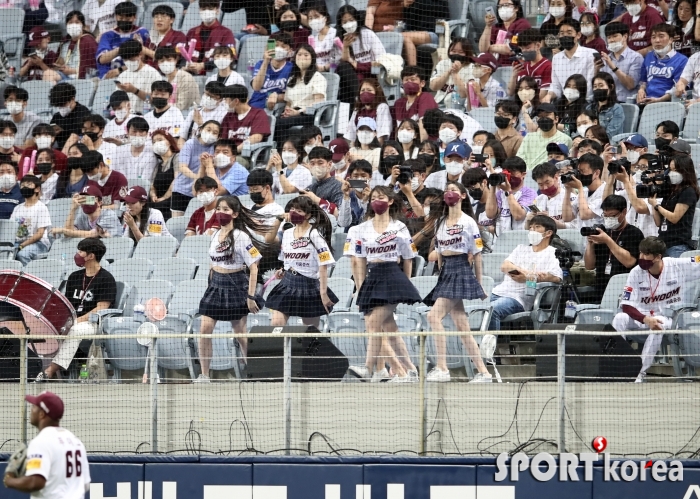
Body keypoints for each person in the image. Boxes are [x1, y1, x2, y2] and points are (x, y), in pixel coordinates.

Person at [346, 186, 421, 382]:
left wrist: (407, 283)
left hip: (393, 276)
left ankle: (368, 367)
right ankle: (410, 370)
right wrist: (361, 286)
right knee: (390, 327)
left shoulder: (399, 227)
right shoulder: (361, 229)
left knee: (372, 323)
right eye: (373, 198)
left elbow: (409, 257)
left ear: (390, 201)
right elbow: (358, 259)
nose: (377, 201)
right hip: (373, 276)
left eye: (381, 197)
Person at [422, 181, 491, 382]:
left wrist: (479, 283)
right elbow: (440, 254)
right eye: (447, 190)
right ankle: (483, 372)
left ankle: (442, 368)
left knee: (433, 317)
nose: (449, 193)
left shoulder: (469, 222)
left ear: (462, 196)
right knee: (463, 326)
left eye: (454, 190)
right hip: (446, 272)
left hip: (461, 268)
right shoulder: (440, 222)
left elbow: (477, 255)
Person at [195, 196, 267, 382]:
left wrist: (251, 297)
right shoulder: (213, 235)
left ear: (234, 214)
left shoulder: (241, 236)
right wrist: (209, 285)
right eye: (219, 209)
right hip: (215, 286)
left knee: (240, 334)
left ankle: (254, 373)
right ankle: (204, 375)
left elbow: (254, 266)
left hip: (236, 285)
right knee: (204, 331)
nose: (221, 212)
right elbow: (212, 265)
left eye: (226, 210)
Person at [613, 236, 700, 382]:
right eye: (640, 253)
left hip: (669, 318)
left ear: (658, 256)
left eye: (646, 254)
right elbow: (626, 305)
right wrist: (644, 319)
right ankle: (615, 367)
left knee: (658, 323)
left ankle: (639, 373)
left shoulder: (677, 265)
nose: (641, 257)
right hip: (643, 316)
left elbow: (698, 261)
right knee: (619, 318)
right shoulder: (636, 272)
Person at [34, 238, 116, 381]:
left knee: (75, 330)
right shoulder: (74, 277)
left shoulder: (106, 279)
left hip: (94, 324)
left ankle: (51, 370)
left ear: (91, 256)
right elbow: (66, 304)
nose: (77, 254)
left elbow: (101, 308)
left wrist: (76, 321)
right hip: (73, 320)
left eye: (80, 251)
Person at [266, 196, 338, 327]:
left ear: (308, 214)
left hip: (308, 285)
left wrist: (323, 293)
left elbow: (323, 266)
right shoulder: (287, 233)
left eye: (299, 210)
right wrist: (283, 270)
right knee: (276, 324)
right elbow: (269, 239)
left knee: (310, 332)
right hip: (288, 283)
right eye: (292, 209)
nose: (294, 212)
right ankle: (281, 348)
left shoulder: (314, 234)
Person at [3, 391, 91, 497]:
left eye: (35, 406)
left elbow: (35, 482)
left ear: (42, 414)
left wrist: (9, 480)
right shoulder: (76, 441)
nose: (31, 410)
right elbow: (85, 485)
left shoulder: (41, 442)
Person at [488, 214, 563, 330]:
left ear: (548, 233)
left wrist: (530, 278)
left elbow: (556, 277)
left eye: (537, 227)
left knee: (491, 310)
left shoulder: (553, 253)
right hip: (497, 292)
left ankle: (488, 347)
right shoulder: (521, 248)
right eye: (531, 227)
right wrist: (526, 273)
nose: (532, 230)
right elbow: (505, 266)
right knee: (473, 308)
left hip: (517, 299)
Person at [583, 194, 644, 298]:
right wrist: (590, 244)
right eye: (605, 216)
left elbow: (629, 262)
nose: (608, 219)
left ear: (624, 212)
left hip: (625, 288)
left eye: (612, 215)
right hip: (601, 287)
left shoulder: (634, 233)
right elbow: (589, 266)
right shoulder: (603, 232)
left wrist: (607, 240)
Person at [274, 44, 327, 144]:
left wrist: (298, 112)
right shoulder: (292, 79)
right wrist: (287, 111)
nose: (302, 57)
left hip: (310, 114)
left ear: (312, 58)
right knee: (271, 122)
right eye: (299, 55)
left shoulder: (318, 78)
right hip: (294, 113)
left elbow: (318, 103)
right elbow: (289, 102)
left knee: (279, 123)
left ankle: (281, 151)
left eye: (306, 55)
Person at [335, 5, 386, 105]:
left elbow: (381, 60)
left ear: (357, 19)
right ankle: (356, 100)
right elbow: (342, 64)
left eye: (351, 20)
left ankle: (358, 99)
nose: (348, 24)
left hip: (371, 75)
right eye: (345, 22)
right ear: (340, 24)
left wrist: (358, 65)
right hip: (353, 79)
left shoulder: (367, 34)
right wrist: (345, 47)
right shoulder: (339, 39)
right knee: (343, 67)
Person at [649, 154, 699, 257]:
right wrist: (653, 204)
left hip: (678, 245)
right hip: (662, 244)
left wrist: (657, 206)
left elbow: (675, 217)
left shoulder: (688, 191)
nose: (672, 173)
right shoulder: (669, 190)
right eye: (670, 169)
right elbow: (658, 223)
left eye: (675, 170)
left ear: (684, 171)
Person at [172, 120, 220, 217]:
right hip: (181, 190)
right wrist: (197, 177)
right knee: (177, 222)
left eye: (215, 133)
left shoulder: (214, 148)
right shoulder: (190, 143)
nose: (211, 133)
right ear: (201, 129)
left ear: (218, 137)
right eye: (208, 130)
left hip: (200, 192)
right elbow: (182, 167)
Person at [544, 19, 596, 103]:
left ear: (578, 35)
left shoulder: (590, 54)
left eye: (569, 33)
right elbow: (556, 86)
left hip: (585, 103)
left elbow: (590, 85)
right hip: (564, 103)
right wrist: (549, 95)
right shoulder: (556, 58)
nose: (565, 36)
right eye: (562, 33)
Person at [96, 1, 150, 78]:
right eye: (121, 18)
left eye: (127, 18)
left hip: (135, 75)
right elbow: (102, 59)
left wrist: (139, 47)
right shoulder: (108, 35)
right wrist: (123, 48)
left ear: (134, 17)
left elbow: (146, 60)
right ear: (116, 17)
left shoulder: (142, 32)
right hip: (110, 77)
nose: (124, 20)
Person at [638, 23, 688, 104]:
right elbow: (643, 81)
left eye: (661, 36)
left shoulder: (682, 60)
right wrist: (641, 89)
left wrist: (659, 100)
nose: (657, 40)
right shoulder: (649, 56)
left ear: (671, 39)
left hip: (669, 103)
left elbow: (678, 87)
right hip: (646, 101)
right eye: (653, 37)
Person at [486, 156, 537, 235]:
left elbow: (518, 216)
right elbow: (490, 214)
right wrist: (493, 185)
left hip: (520, 240)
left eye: (512, 172)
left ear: (523, 174)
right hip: (501, 241)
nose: (509, 176)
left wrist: (508, 192)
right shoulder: (500, 193)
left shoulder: (529, 193)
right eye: (507, 172)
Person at [183, 0, 236, 76]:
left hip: (214, 75)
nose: (206, 12)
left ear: (217, 10)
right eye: (203, 9)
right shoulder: (192, 32)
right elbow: (184, 55)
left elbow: (230, 58)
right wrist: (185, 66)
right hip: (190, 74)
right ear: (199, 10)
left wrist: (203, 65)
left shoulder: (226, 33)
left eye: (210, 9)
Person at [516, 104, 573, 169]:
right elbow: (519, 160)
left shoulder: (565, 139)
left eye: (547, 115)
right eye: (540, 116)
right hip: (528, 176)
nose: (543, 119)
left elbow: (567, 162)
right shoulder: (529, 137)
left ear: (556, 119)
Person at [220, 84, 271, 156]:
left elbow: (256, 137)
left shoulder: (258, 114)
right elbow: (223, 139)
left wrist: (234, 151)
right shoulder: (229, 116)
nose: (224, 102)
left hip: (246, 155)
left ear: (236, 101)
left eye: (226, 99)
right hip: (228, 154)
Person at [10, 175, 51, 266]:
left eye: (28, 184)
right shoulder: (17, 208)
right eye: (22, 185)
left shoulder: (41, 208)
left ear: (37, 189)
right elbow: (11, 229)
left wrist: (22, 245)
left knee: (22, 255)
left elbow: (40, 233)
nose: (24, 187)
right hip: (18, 243)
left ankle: (29, 277)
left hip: (39, 244)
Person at [52, 185, 122, 238]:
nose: (85, 202)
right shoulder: (83, 216)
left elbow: (92, 234)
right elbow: (68, 234)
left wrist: (63, 230)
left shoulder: (108, 214)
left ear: (99, 203)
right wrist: (73, 209)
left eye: (89, 199)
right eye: (83, 199)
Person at [114, 40, 163, 115]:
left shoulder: (153, 74)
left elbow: (155, 100)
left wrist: (134, 90)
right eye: (125, 60)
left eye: (131, 59)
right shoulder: (122, 76)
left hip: (146, 116)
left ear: (140, 54)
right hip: (126, 117)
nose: (128, 62)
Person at [600, 22, 644, 104]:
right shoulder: (606, 59)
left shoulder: (636, 57)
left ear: (625, 36)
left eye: (615, 36)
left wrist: (613, 67)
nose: (612, 40)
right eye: (609, 37)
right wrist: (596, 69)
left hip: (626, 102)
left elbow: (631, 85)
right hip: (608, 103)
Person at [527, 162, 578, 230]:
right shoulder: (538, 200)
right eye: (540, 184)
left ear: (556, 177)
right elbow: (527, 229)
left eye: (547, 182)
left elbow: (575, 227)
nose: (545, 187)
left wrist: (551, 222)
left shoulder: (571, 197)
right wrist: (528, 220)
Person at [250, 33, 295, 110]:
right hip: (254, 105)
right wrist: (266, 61)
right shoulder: (260, 64)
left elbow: (293, 95)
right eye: (276, 45)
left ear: (290, 51)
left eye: (283, 46)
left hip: (274, 108)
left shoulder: (292, 68)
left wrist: (277, 97)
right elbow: (256, 87)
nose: (278, 49)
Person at [479, 0, 531, 66]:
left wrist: (490, 47)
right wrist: (488, 26)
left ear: (516, 8)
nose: (503, 8)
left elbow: (511, 49)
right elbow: (483, 49)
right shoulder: (496, 27)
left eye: (507, 5)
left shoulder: (522, 24)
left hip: (516, 66)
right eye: (500, 6)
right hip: (496, 67)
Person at [562, 152, 606, 230]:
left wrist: (580, 188)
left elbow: (584, 215)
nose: (580, 175)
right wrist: (568, 190)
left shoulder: (605, 192)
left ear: (596, 173)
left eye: (583, 171)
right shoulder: (584, 191)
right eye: (579, 171)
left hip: (597, 238)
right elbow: (567, 218)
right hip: (581, 238)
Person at [400, 0, 449, 66]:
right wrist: (406, 7)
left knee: (405, 37)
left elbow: (441, 10)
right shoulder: (415, 3)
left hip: (436, 34)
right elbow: (410, 24)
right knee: (398, 37)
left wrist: (415, 2)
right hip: (416, 34)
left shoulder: (438, 3)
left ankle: (413, 71)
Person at [51, 11, 98, 81]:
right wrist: (60, 67)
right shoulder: (64, 42)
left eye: (77, 22)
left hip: (79, 80)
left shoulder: (88, 41)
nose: (73, 25)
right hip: (64, 76)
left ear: (83, 26)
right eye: (70, 22)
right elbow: (59, 63)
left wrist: (72, 71)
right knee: (48, 74)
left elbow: (92, 69)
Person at [430, 37, 476, 109]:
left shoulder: (472, 68)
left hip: (459, 106)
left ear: (467, 53)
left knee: (453, 97)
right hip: (438, 102)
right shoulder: (442, 63)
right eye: (453, 51)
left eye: (461, 52)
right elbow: (433, 87)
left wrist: (455, 74)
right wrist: (449, 71)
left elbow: (463, 94)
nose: (456, 54)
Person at [506, 28, 551, 99]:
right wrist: (514, 75)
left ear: (538, 46)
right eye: (522, 48)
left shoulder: (548, 66)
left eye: (527, 48)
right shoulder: (522, 67)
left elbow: (543, 96)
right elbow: (510, 92)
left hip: (537, 107)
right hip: (520, 106)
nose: (524, 51)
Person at [155, 47, 200, 113]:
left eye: (169, 60)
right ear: (158, 63)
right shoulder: (163, 80)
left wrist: (160, 108)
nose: (165, 63)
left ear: (176, 60)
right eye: (162, 61)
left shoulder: (186, 78)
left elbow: (182, 106)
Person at [48, 83, 91, 149]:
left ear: (72, 99)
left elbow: (79, 137)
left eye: (63, 104)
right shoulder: (57, 117)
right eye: (58, 106)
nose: (61, 108)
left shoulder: (84, 113)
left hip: (78, 150)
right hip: (60, 149)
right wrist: (53, 134)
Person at [113, 117, 157, 182]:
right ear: (127, 132)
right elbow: (115, 175)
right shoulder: (119, 151)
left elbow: (145, 182)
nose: (137, 135)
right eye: (134, 131)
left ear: (147, 134)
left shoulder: (151, 155)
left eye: (141, 131)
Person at [302, 146, 344, 212]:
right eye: (312, 163)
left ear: (329, 164)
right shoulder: (309, 188)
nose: (316, 166)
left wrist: (316, 200)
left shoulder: (338, 186)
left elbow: (340, 213)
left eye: (320, 163)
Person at [144, 80, 185, 145]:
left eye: (163, 94)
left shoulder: (176, 113)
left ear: (170, 96)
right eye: (156, 94)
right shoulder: (146, 117)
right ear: (151, 95)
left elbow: (177, 139)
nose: (159, 97)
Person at [150, 130, 179, 220]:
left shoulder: (177, 157)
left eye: (160, 140)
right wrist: (153, 195)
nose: (157, 143)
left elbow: (177, 180)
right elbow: (152, 186)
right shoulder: (158, 165)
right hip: (158, 201)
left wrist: (164, 198)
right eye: (154, 142)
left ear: (169, 142)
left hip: (171, 200)